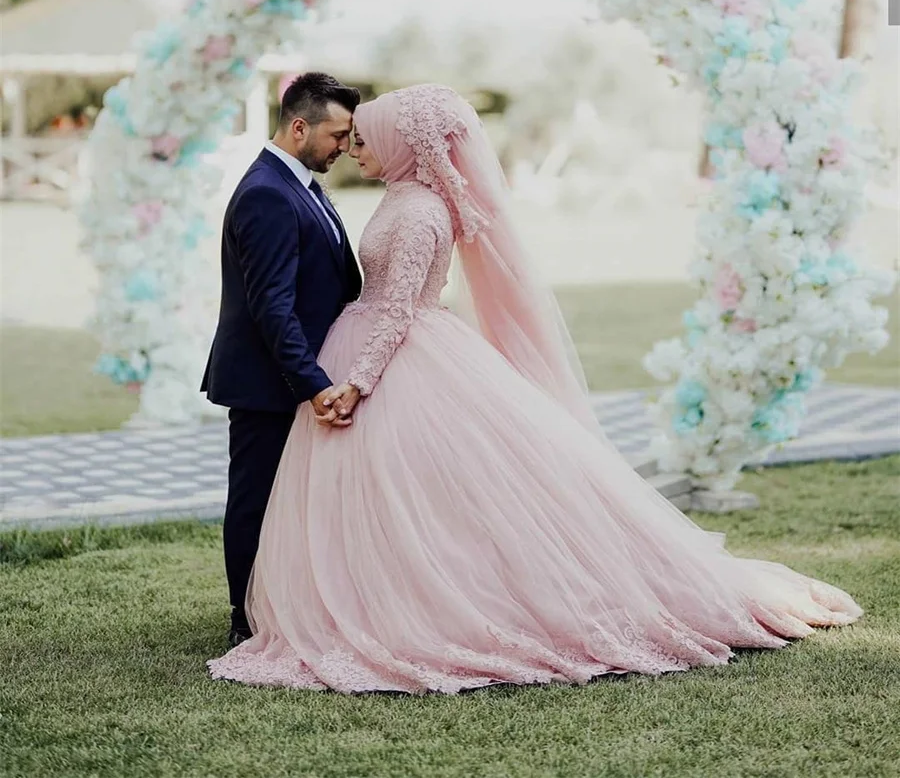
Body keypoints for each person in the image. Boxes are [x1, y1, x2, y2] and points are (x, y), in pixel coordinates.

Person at [207, 83, 861, 694]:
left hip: (392, 361)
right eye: (349, 136)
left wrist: (355, 381)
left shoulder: (417, 211)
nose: (355, 147)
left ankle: (400, 608)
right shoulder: (398, 198)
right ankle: (329, 603)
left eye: (366, 136)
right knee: (388, 500)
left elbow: (400, 310)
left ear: (405, 146)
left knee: (417, 499)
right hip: (369, 355)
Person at [201, 72, 362, 647]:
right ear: (300, 127)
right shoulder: (268, 191)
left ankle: (285, 601)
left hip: (290, 372)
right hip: (265, 379)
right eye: (337, 135)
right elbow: (272, 305)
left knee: (286, 498)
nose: (344, 147)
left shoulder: (299, 182)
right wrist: (315, 384)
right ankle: (245, 617)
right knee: (256, 497)